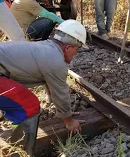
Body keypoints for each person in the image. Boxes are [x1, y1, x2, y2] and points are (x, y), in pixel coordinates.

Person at [0, 19, 87, 156]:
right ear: (68, 47)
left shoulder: (46, 48)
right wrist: (69, 121)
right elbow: (60, 91)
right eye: (78, 48)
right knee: (29, 105)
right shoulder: (56, 61)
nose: (76, 53)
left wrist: (64, 111)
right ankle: (21, 152)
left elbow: (51, 83)